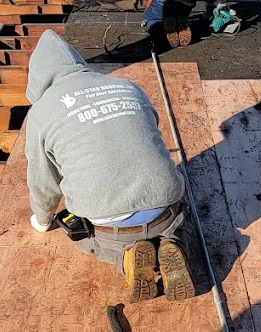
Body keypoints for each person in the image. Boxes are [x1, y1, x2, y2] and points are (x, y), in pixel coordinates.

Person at [24, 30, 193, 302]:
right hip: (164, 201)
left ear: (38, 77)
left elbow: (43, 180)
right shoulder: (126, 86)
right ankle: (172, 242)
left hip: (108, 219)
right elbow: (152, 128)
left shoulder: (41, 113)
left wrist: (42, 220)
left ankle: (125, 258)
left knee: (92, 242)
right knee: (174, 218)